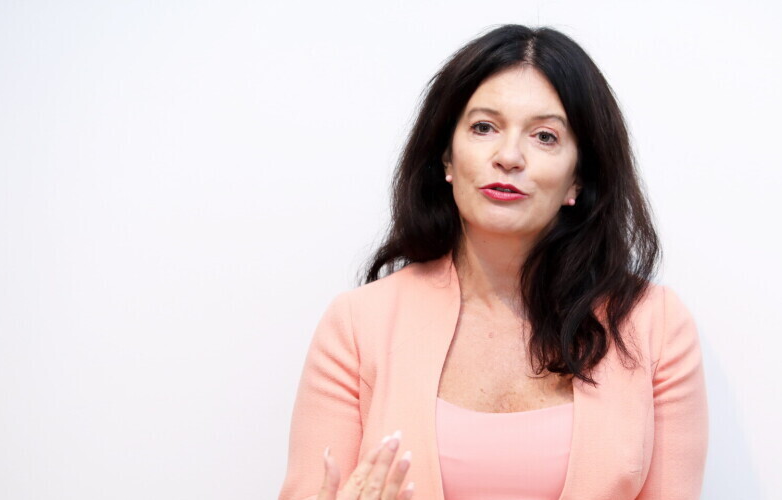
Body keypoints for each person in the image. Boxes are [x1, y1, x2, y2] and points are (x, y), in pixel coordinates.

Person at [278, 24, 708, 500]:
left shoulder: (655, 325)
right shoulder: (357, 324)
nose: (509, 156)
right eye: (484, 127)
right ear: (446, 156)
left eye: (544, 136)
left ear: (578, 179)